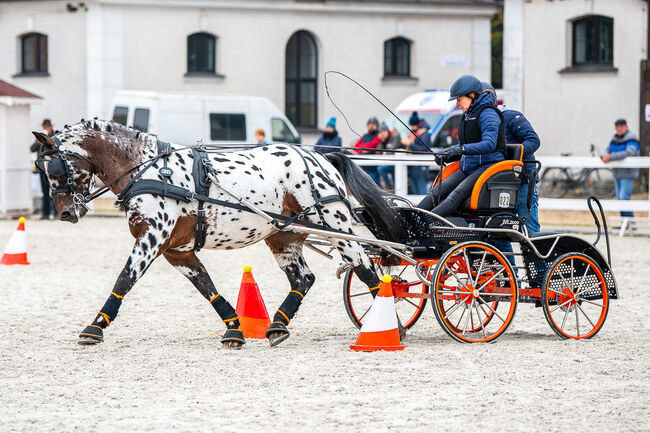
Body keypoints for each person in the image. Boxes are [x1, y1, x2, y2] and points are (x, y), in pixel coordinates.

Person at [417, 75, 505, 217]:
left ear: (471, 96)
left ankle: (425, 223)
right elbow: (463, 145)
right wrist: (447, 156)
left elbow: (490, 144)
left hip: (487, 167)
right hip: (469, 166)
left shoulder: (488, 113)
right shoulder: (467, 115)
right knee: (436, 192)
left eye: (459, 99)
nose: (457, 104)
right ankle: (412, 218)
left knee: (455, 196)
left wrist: (462, 149)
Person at [483, 81, 541, 234]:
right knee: (500, 231)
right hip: (500, 184)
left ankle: (537, 258)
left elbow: (533, 140)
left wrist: (512, 153)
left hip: (522, 181)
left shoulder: (510, 116)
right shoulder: (484, 123)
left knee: (530, 231)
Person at [601, 118, 640, 219]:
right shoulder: (615, 139)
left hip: (627, 174)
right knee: (620, 199)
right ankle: (624, 222)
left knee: (624, 198)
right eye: (617, 127)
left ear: (626, 127)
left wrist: (611, 157)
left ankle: (631, 222)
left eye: (621, 126)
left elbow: (629, 152)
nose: (619, 129)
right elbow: (607, 149)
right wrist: (604, 155)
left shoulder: (632, 138)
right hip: (617, 173)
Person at [30, 119, 56, 220]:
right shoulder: (39, 138)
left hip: (52, 167)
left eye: (46, 127)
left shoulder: (54, 136)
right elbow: (31, 149)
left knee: (55, 190)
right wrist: (38, 142)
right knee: (45, 192)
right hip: (43, 168)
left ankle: (56, 212)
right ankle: (45, 212)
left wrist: (48, 139)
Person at [401, 112, 432, 195]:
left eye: (413, 125)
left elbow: (423, 149)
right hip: (412, 168)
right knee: (415, 192)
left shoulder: (425, 134)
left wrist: (409, 144)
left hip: (421, 167)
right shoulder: (413, 133)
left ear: (417, 124)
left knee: (422, 192)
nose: (412, 127)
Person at [353, 116, 381, 183]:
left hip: (373, 168)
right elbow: (355, 147)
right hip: (363, 168)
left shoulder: (378, 135)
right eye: (370, 124)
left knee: (374, 186)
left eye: (374, 124)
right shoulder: (365, 136)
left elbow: (373, 145)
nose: (371, 126)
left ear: (377, 126)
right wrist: (363, 149)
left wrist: (362, 148)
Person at [376, 122, 403, 190]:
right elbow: (377, 153)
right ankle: (389, 187)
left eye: (383, 131)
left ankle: (390, 187)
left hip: (397, 163)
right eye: (380, 132)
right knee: (381, 169)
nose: (382, 134)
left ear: (387, 131)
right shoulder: (385, 141)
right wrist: (381, 142)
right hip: (391, 164)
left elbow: (391, 151)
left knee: (381, 169)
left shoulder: (395, 136)